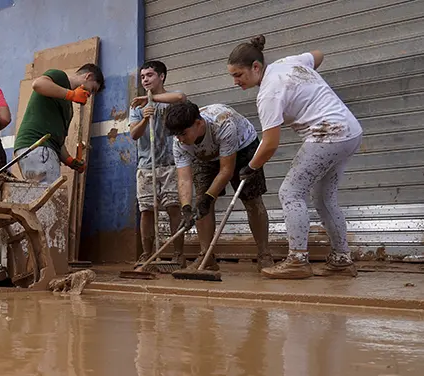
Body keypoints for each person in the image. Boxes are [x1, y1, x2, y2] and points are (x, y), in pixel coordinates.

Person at [228, 35, 363, 279]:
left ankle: (297, 259)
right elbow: (318, 55)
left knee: (290, 192)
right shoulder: (289, 62)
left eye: (239, 75)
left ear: (256, 67)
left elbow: (269, 144)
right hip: (350, 132)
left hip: (327, 134)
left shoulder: (268, 93)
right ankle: (342, 259)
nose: (235, 82)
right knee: (323, 198)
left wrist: (251, 166)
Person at [165, 101, 273, 271]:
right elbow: (184, 179)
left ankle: (264, 254)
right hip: (205, 155)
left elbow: (226, 170)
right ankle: (206, 256)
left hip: (242, 146)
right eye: (176, 135)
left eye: (183, 134)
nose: (180, 139)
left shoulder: (222, 124)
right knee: (200, 202)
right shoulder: (179, 141)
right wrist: (186, 208)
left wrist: (209, 198)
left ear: (198, 123)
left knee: (252, 200)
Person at [129, 60, 188, 265]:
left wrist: (151, 99)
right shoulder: (137, 106)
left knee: (173, 208)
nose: (145, 79)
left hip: (171, 163)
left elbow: (181, 97)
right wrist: (145, 118)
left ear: (161, 76)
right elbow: (134, 135)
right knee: (146, 210)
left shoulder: (170, 100)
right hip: (147, 165)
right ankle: (147, 253)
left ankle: (178, 254)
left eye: (150, 75)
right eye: (143, 76)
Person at [14, 64, 105, 183]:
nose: (89, 94)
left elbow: (57, 141)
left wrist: (70, 161)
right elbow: (38, 84)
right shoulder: (60, 78)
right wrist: (71, 94)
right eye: (92, 89)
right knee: (51, 199)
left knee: (40, 197)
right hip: (37, 146)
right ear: (88, 76)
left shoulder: (68, 108)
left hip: (37, 149)